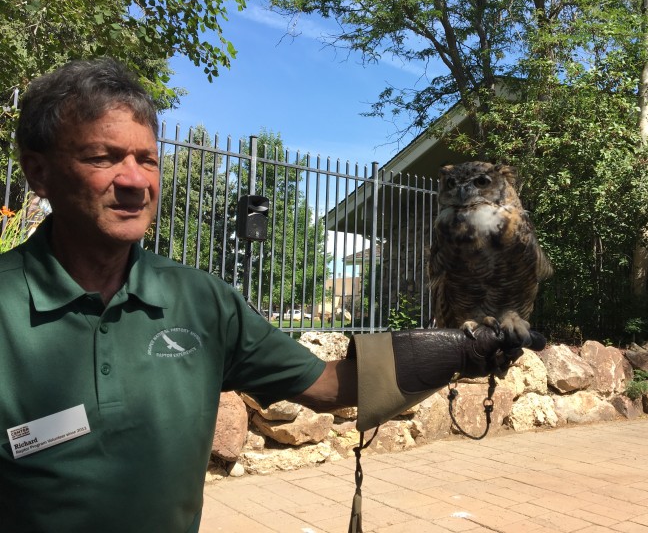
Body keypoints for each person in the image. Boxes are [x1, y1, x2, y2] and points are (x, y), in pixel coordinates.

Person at [0, 58, 541, 532]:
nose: (135, 181)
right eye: (102, 157)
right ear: (38, 172)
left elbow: (327, 384)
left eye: (148, 159)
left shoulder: (200, 301)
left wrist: (456, 349)